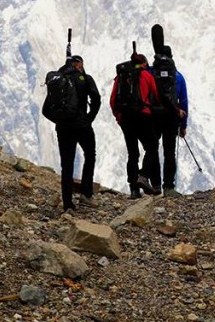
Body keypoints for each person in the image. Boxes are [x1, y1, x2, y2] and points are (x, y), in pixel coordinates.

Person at [45, 54, 100, 213]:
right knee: (90, 153)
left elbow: (46, 110)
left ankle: (67, 203)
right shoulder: (85, 78)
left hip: (63, 128)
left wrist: (59, 121)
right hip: (82, 125)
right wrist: (90, 117)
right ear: (79, 65)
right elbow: (96, 98)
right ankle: (86, 194)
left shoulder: (58, 81)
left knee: (66, 164)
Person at [110, 53, 161, 199]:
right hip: (143, 116)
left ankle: (133, 190)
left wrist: (119, 118)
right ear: (144, 64)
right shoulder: (147, 76)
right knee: (152, 146)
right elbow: (157, 96)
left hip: (126, 118)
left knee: (132, 154)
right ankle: (143, 176)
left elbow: (113, 100)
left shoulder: (120, 77)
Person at [152, 45, 189, 198]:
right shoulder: (178, 77)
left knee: (152, 149)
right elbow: (184, 101)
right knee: (169, 153)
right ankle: (168, 187)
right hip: (172, 117)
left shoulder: (151, 73)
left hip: (153, 116)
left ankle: (154, 186)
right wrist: (183, 125)